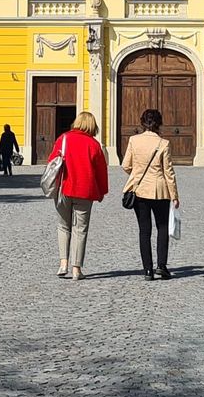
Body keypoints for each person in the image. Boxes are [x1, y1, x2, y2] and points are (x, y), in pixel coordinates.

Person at [120, 107, 180, 281]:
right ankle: (161, 266)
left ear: (142, 122)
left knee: (144, 231)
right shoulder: (163, 143)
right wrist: (175, 195)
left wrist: (136, 174)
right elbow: (169, 172)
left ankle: (147, 270)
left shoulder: (134, 140)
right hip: (160, 190)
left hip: (139, 191)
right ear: (159, 124)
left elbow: (125, 165)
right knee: (162, 227)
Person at [50, 111, 109, 280]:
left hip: (63, 189)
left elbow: (52, 161)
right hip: (85, 191)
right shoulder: (93, 145)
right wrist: (102, 191)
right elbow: (101, 172)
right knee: (80, 229)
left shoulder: (64, 139)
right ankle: (76, 269)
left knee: (63, 226)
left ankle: (63, 263)